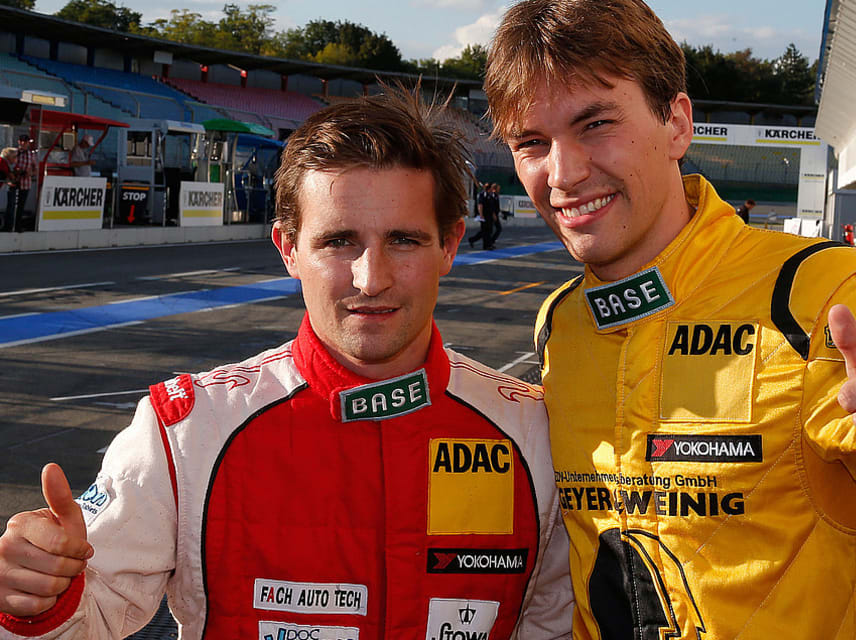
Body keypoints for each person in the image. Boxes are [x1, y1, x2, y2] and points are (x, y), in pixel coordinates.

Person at [483, 1, 856, 638]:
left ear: (677, 124)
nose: (564, 173)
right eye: (531, 143)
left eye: (597, 123)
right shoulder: (562, 322)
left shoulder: (823, 294)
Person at [0, 88, 573, 639]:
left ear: (448, 245)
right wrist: (33, 597)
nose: (371, 279)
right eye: (339, 242)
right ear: (288, 249)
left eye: (403, 240)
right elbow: (87, 617)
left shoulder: (534, 433)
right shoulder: (188, 433)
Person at [4, 134, 37, 233]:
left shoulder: (31, 155)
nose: (23, 143)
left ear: (28, 143)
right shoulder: (14, 152)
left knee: (21, 206)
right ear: (19, 142)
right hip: (14, 182)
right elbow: (8, 165)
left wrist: (30, 173)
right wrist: (16, 171)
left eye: (25, 142)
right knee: (11, 205)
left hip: (25, 183)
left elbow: (35, 169)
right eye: (21, 141)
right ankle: (8, 226)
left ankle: (18, 226)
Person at [469, 182, 499, 250]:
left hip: (489, 215)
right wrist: (481, 215)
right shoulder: (483, 194)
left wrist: (493, 214)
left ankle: (474, 240)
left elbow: (491, 206)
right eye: (491, 188)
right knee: (486, 231)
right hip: (485, 215)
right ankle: (487, 245)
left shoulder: (490, 195)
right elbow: (480, 205)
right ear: (489, 188)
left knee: (487, 231)